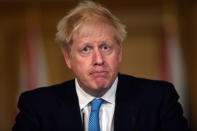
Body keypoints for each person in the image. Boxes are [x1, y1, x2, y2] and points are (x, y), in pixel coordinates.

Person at [13, 1, 190, 131]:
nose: (98, 59)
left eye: (106, 47)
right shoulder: (37, 107)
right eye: (86, 49)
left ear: (119, 53)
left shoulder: (159, 100)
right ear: (68, 58)